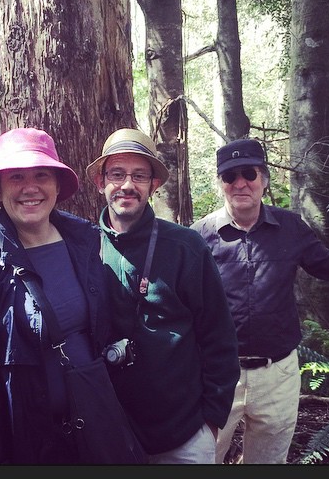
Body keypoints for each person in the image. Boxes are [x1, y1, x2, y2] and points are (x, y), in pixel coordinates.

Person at [190, 137, 329, 464]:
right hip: (215, 374)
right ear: (220, 184)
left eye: (249, 173)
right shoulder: (199, 236)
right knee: (201, 458)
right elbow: (180, 303)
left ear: (264, 179)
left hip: (278, 375)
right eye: (230, 176)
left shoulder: (290, 228)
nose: (240, 183)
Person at [0, 127, 114, 464]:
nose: (30, 187)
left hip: (98, 429)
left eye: (41, 175)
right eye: (16, 176)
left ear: (57, 185)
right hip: (29, 446)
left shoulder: (88, 243)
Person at [86, 128, 240, 464]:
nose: (127, 184)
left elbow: (219, 337)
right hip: (112, 435)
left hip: (184, 435)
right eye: (117, 174)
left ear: (154, 185)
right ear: (101, 182)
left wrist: (211, 421)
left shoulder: (186, 248)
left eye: (139, 175)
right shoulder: (82, 247)